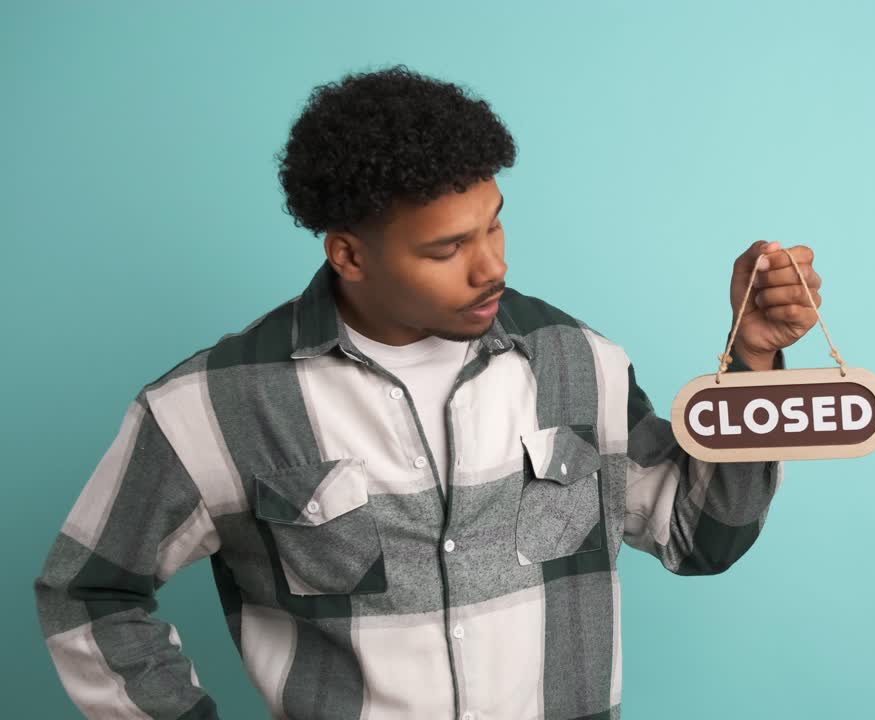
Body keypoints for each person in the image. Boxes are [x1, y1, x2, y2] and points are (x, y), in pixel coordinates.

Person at [33, 65, 823, 720]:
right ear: (349, 253)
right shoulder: (209, 406)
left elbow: (699, 538)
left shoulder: (579, 361)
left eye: (493, 225)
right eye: (448, 248)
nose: (491, 266)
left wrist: (752, 362)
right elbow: (87, 590)